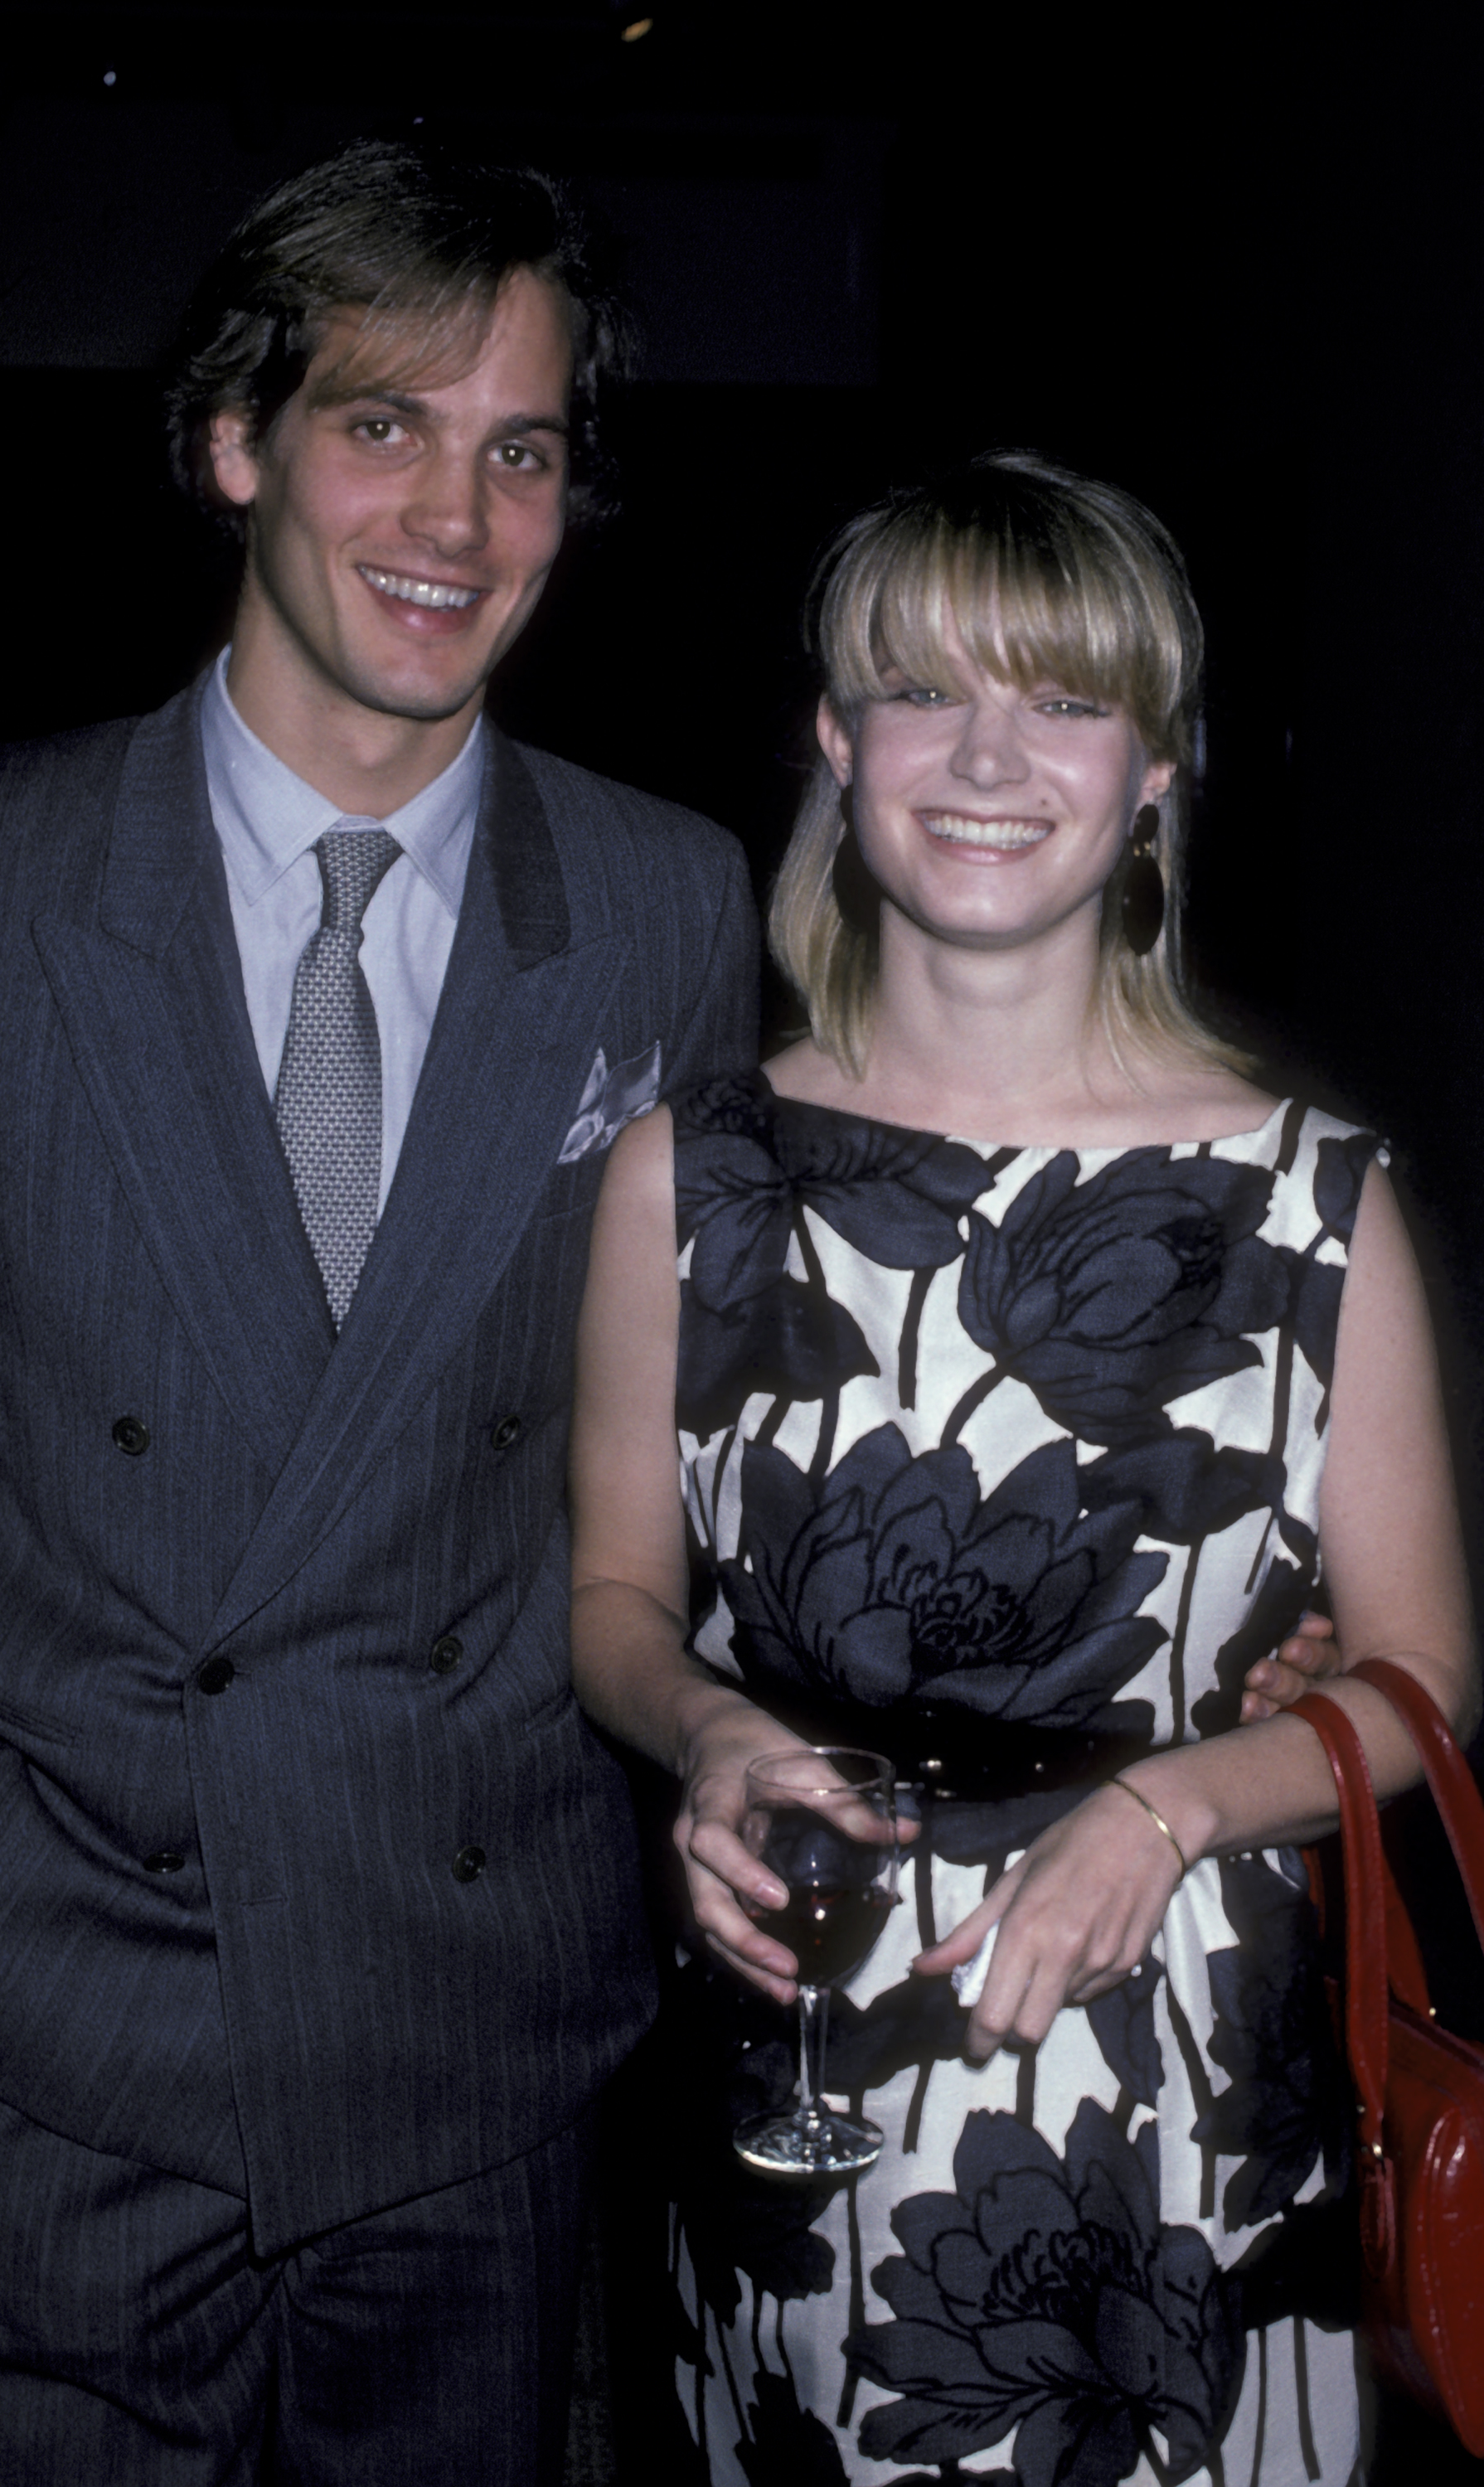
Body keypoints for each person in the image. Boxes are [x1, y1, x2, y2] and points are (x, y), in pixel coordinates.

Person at [0, 143, 759, 2483]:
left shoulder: (664, 902)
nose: (457, 518)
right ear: (234, 445)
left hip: (470, 2033)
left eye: (521, 449)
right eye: (385, 422)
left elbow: (725, 1422)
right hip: (66, 2026)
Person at [570, 454, 1478, 2485]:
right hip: (796, 2084)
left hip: (1185, 2095)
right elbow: (614, 1600)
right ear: (837, 738)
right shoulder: (689, 1175)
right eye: (926, 690)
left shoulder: (1317, 1203)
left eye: (1064, 700)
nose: (989, 756)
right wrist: (709, 1733)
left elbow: (1420, 1680)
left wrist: (1162, 1811)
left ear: (1158, 766)